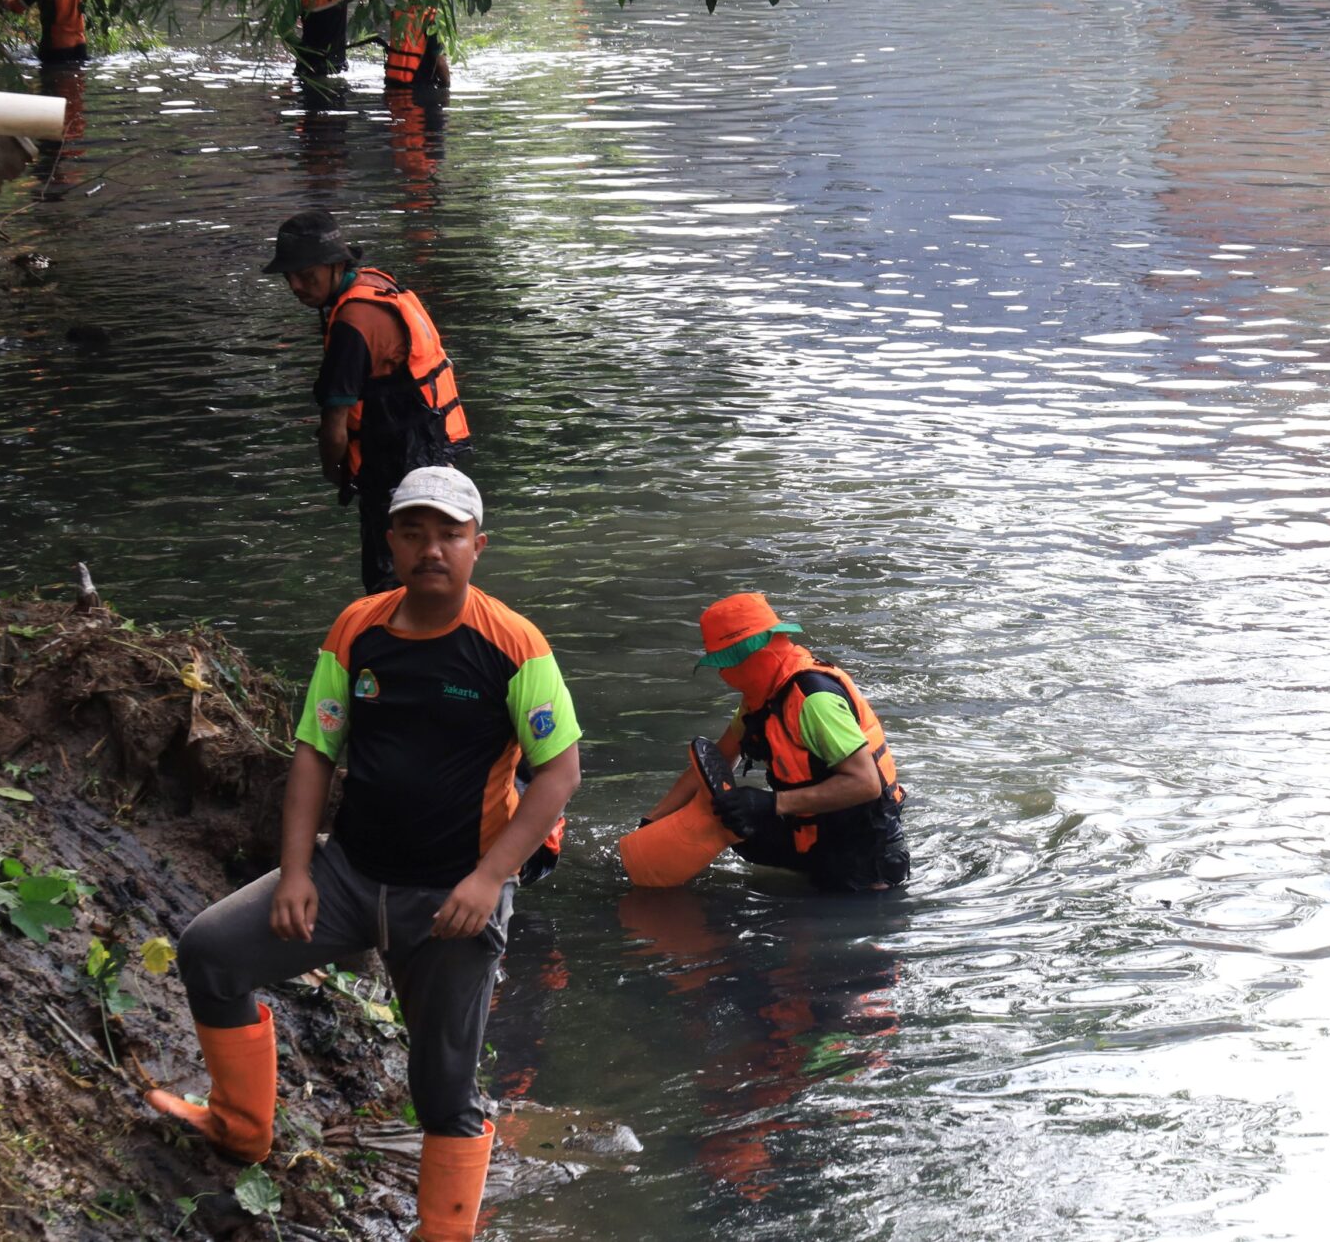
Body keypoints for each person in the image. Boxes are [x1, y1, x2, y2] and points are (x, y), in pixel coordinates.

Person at [145, 467, 580, 1242]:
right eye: (413, 531)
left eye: (449, 533)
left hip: (454, 898)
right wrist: (300, 871)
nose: (431, 548)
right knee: (211, 952)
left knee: (443, 1090)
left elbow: (561, 773)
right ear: (391, 542)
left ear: (478, 546)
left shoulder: (515, 645)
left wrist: (488, 879)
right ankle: (242, 1128)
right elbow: (315, 749)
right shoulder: (358, 628)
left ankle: (444, 1232)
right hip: (349, 874)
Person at [262, 209, 472, 594]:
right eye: (289, 276)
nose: (295, 285)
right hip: (435, 447)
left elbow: (335, 425)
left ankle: (391, 645)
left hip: (396, 461)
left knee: (388, 576)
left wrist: (334, 470)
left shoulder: (352, 324)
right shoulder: (375, 285)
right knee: (429, 561)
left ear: (336, 265)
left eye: (306, 275)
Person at [639, 593, 909, 893]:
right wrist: (654, 819)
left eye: (728, 663)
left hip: (866, 856)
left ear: (755, 653)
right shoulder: (762, 699)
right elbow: (717, 760)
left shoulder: (814, 701)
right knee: (726, 815)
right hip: (814, 835)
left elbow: (866, 783)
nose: (723, 674)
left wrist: (772, 803)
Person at [294, 0, 353, 80]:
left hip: (334, 65)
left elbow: (284, 30)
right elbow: (284, 30)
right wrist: (305, 50)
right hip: (312, 68)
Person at [385, 0, 451, 90]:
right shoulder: (430, 21)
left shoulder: (398, 14)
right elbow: (440, 62)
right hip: (419, 89)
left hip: (392, 84)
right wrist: (447, 87)